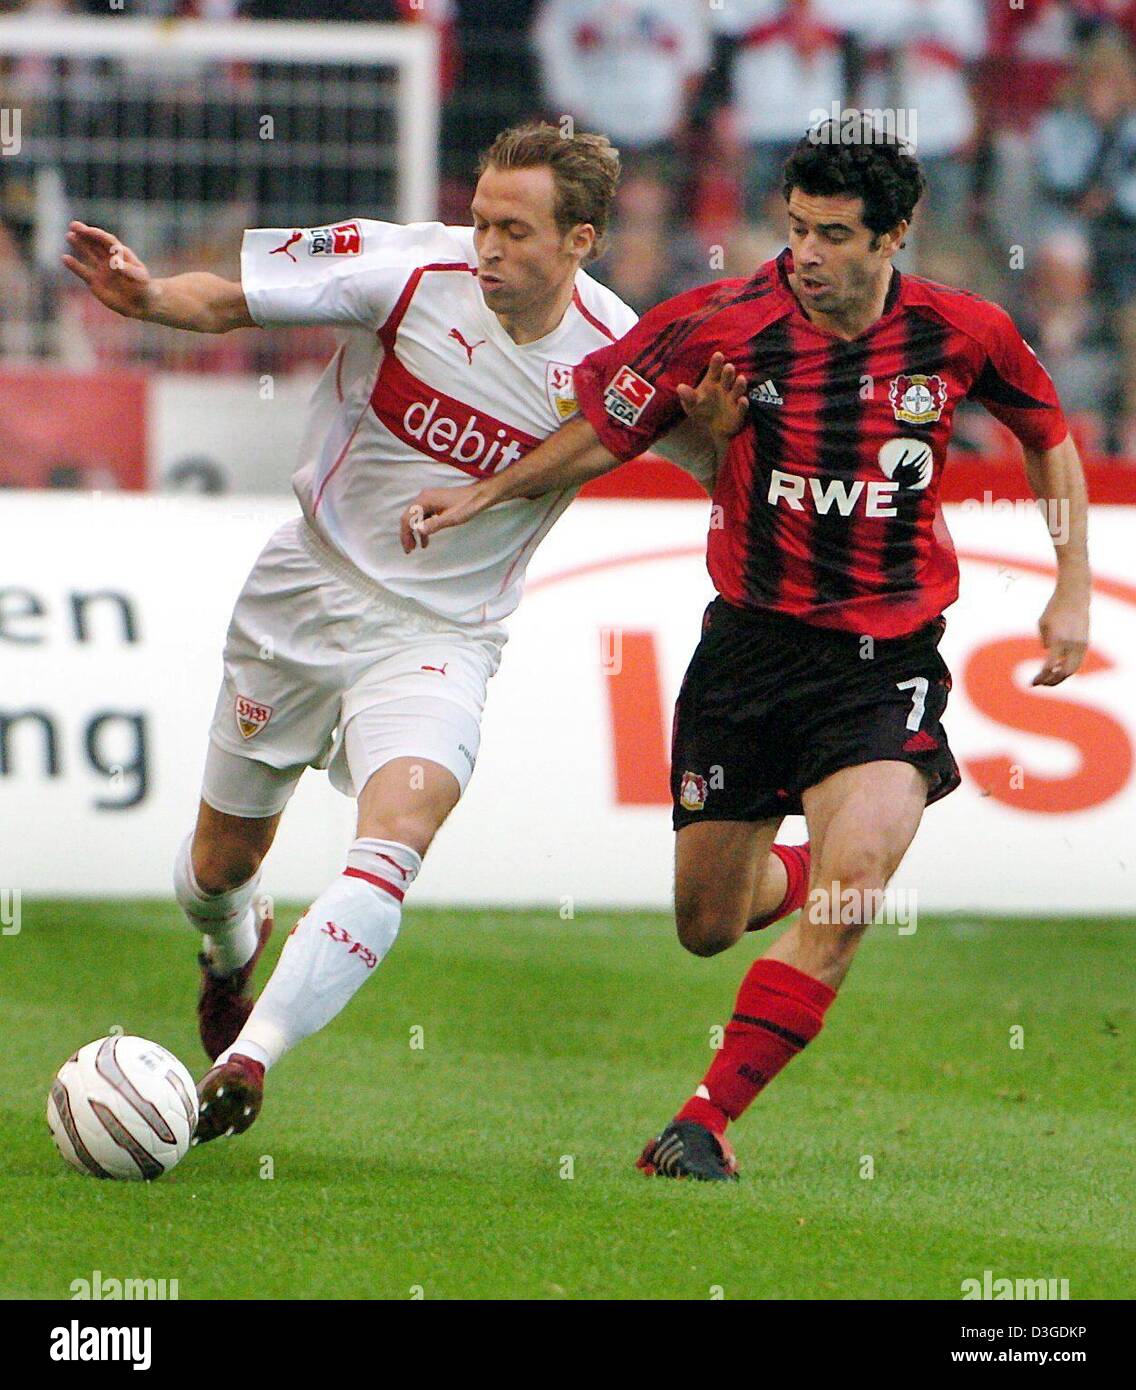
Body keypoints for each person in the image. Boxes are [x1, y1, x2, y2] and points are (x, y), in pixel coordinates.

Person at [62, 122, 808, 1146]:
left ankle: (251, 1055)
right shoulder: (405, 266)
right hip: (303, 593)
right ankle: (230, 946)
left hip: (444, 635)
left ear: (580, 239)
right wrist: (149, 298)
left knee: (395, 835)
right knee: (218, 865)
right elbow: (230, 299)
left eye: (513, 229)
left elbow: (726, 475)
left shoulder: (620, 354)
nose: (485, 246)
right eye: (480, 219)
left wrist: (727, 437)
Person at [401, 120, 1092, 1181]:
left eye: (831, 235)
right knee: (704, 922)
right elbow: (605, 431)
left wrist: (1069, 589)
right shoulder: (719, 321)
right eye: (794, 228)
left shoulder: (959, 333)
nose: (804, 254)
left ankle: (702, 1119)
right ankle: (817, 862)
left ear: (892, 235)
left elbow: (1046, 430)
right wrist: (487, 490)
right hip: (749, 652)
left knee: (853, 894)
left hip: (883, 656)